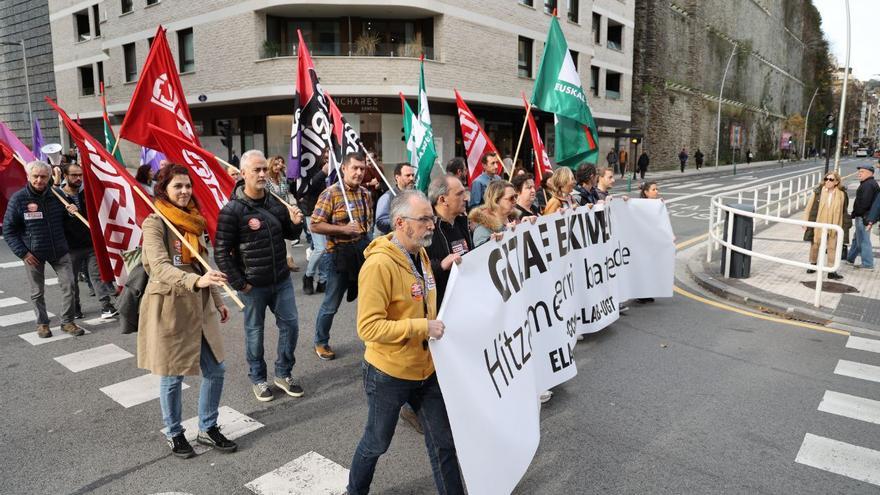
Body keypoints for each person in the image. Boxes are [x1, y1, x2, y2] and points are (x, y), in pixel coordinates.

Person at [347, 190, 464, 495]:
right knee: (376, 443)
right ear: (400, 223)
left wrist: (442, 268)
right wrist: (422, 326)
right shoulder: (378, 266)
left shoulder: (420, 253)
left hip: (426, 370)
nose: (432, 224)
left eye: (432, 218)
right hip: (388, 373)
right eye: (425, 218)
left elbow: (419, 291)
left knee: (444, 442)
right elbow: (368, 327)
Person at [137, 165, 237, 458]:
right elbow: (159, 267)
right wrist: (197, 281)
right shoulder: (155, 224)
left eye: (187, 186)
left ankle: (207, 428)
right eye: (177, 186)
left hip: (200, 305)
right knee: (172, 375)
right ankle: (174, 433)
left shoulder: (194, 222)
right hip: (169, 307)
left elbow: (203, 265)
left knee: (216, 369)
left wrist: (218, 299)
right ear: (164, 190)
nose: (184, 191)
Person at [214, 150, 306, 402]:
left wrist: (296, 222)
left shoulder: (275, 202)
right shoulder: (231, 210)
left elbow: (288, 233)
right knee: (255, 334)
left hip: (281, 280)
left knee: (291, 327)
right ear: (243, 174)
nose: (263, 174)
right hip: (252, 285)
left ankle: (283, 373)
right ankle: (258, 378)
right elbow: (220, 252)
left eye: (265, 169)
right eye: (257, 170)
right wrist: (239, 284)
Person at [2, 160, 83, 338]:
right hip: (33, 253)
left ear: (49, 177)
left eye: (43, 176)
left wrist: (71, 212)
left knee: (69, 285)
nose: (39, 180)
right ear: (29, 176)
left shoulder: (58, 194)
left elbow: (67, 223)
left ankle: (67, 322)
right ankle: (43, 324)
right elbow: (9, 230)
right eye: (35, 176)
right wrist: (23, 253)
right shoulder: (19, 199)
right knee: (37, 292)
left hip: (59, 250)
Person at [310, 151, 374, 360]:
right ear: (344, 168)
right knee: (331, 303)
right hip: (338, 254)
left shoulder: (366, 193)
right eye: (354, 168)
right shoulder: (332, 193)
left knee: (370, 299)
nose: (358, 172)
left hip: (361, 252)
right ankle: (321, 341)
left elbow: (367, 226)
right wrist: (344, 230)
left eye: (362, 169)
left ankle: (372, 337)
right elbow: (315, 224)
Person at [60, 164, 118, 319]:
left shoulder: (86, 193)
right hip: (70, 247)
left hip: (91, 243)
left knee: (97, 276)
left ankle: (106, 306)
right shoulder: (58, 196)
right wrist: (67, 213)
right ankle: (76, 307)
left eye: (80, 175)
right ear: (65, 176)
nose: (78, 178)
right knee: (72, 281)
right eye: (74, 175)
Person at [803, 171, 846, 280]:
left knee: (832, 247)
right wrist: (805, 222)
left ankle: (831, 271)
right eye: (826, 179)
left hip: (834, 224)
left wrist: (845, 225)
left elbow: (843, 211)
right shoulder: (818, 192)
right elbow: (809, 207)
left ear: (836, 182)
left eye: (831, 179)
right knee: (815, 244)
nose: (828, 181)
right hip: (819, 222)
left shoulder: (841, 194)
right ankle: (813, 264)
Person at [299, 157, 330, 295]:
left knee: (324, 249)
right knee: (320, 248)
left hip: (327, 212)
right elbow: (306, 188)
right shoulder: (308, 165)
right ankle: (308, 276)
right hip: (312, 212)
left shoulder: (332, 168)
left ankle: (323, 281)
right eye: (326, 156)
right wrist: (323, 172)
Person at [266, 155, 298, 271]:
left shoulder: (282, 178)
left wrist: (292, 205)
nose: (277, 167)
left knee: (287, 236)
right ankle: (278, 261)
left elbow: (289, 192)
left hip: (284, 210)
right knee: (275, 236)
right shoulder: (265, 181)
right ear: (269, 166)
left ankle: (289, 259)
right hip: (271, 211)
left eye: (278, 165)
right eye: (275, 164)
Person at [846, 164, 880, 270]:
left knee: (864, 241)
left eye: (862, 172)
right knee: (857, 239)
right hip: (863, 216)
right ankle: (850, 258)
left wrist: (857, 213)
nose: (859, 173)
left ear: (870, 173)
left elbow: (865, 203)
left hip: (863, 217)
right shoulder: (867, 183)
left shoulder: (868, 185)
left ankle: (868, 263)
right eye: (859, 171)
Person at [469, 180, 517, 247]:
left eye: (516, 196)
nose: (515, 201)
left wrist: (527, 225)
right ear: (496, 200)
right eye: (511, 198)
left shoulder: (515, 219)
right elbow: (481, 255)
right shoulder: (482, 230)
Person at [374, 162, 415, 236]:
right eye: (408, 175)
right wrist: (401, 221)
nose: (412, 178)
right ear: (397, 177)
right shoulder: (387, 197)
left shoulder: (416, 195)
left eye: (413, 175)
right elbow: (381, 222)